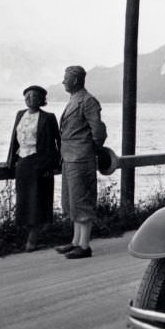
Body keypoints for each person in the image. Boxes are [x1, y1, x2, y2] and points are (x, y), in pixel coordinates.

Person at [55, 65, 107, 259]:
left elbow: (98, 131)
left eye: (66, 78)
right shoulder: (75, 100)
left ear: (76, 80)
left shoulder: (88, 101)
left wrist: (90, 149)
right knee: (71, 201)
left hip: (81, 158)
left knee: (82, 201)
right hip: (69, 157)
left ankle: (84, 246)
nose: (63, 81)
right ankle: (76, 241)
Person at [5, 85, 61, 252]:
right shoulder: (20, 115)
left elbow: (57, 142)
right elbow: (14, 140)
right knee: (24, 201)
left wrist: (51, 164)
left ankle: (33, 239)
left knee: (38, 201)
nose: (30, 98)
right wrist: (10, 160)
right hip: (23, 164)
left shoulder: (48, 117)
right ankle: (29, 234)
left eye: (34, 96)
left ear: (41, 100)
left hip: (40, 164)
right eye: (27, 95)